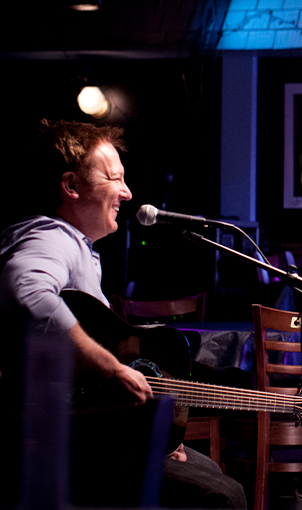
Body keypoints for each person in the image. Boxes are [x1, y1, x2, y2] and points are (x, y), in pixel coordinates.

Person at [0, 119, 246, 508]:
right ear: (71, 185)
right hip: (58, 442)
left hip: (85, 431)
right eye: (114, 178)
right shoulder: (53, 237)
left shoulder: (77, 247)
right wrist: (112, 369)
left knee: (211, 472)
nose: (127, 192)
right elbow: (27, 290)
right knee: (225, 495)